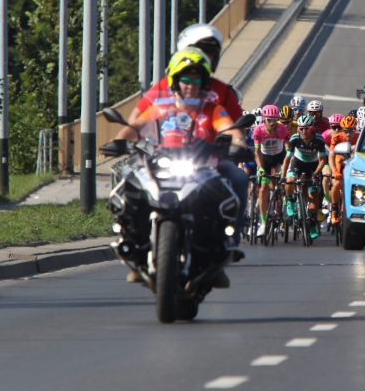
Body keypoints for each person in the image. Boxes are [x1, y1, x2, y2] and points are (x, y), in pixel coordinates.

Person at [114, 48, 247, 287]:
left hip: (202, 170)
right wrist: (118, 141)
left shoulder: (212, 108)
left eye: (196, 79)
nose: (191, 85)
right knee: (127, 179)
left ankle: (226, 246)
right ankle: (131, 239)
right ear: (176, 81)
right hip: (160, 166)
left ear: (204, 82)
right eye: (185, 79)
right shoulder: (161, 108)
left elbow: (230, 128)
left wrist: (238, 143)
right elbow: (137, 125)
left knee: (236, 181)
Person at [129, 26, 243, 126]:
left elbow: (238, 129)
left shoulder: (222, 92)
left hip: (208, 149)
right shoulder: (163, 87)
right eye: (198, 52)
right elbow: (135, 120)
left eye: (209, 54)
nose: (203, 58)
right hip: (167, 148)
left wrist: (236, 143)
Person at [284, 114, 328, 238]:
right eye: (301, 128)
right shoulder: (294, 139)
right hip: (297, 163)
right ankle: (291, 201)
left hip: (313, 166)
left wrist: (316, 173)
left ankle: (312, 225)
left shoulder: (319, 139)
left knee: (314, 194)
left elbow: (323, 161)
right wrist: (283, 177)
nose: (303, 131)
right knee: (290, 181)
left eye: (306, 128)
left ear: (312, 128)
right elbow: (287, 158)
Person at [252, 105, 291, 236]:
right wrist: (261, 168)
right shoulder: (258, 130)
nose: (273, 123)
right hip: (265, 160)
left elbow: (288, 153)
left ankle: (285, 206)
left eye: (275, 120)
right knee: (263, 188)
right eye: (270, 120)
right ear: (264, 119)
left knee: (285, 182)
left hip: (280, 158)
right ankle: (263, 223)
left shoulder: (283, 129)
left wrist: (283, 171)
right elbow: (257, 152)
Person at [327, 116, 360, 226]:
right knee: (337, 182)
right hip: (339, 160)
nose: (348, 134)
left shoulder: (360, 137)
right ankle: (334, 208)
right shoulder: (336, 137)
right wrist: (334, 171)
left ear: (355, 129)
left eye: (350, 131)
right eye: (345, 131)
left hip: (354, 161)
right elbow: (331, 157)